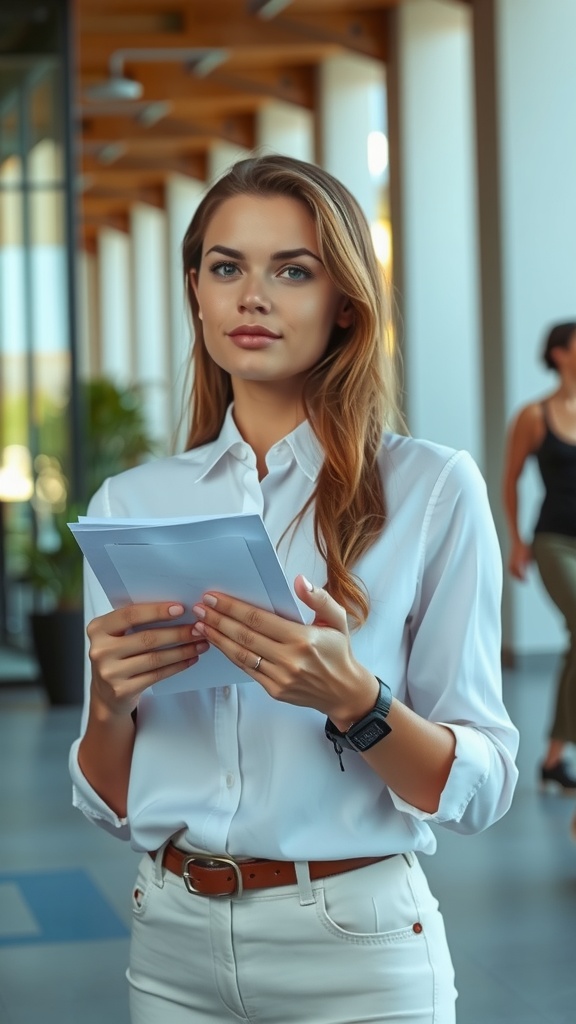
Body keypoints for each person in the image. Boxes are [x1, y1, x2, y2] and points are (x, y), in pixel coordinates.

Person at [69, 154, 518, 1024]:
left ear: (344, 303)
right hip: (168, 946)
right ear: (195, 290)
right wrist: (108, 705)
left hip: (357, 951)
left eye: (294, 270)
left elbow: (482, 786)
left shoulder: (431, 489)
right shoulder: (133, 504)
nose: (252, 296)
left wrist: (357, 700)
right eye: (227, 266)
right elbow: (112, 805)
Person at [502, 321, 576, 792]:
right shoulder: (535, 415)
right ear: (560, 354)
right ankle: (555, 755)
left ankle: (553, 758)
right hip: (554, 542)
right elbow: (509, 478)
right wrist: (517, 541)